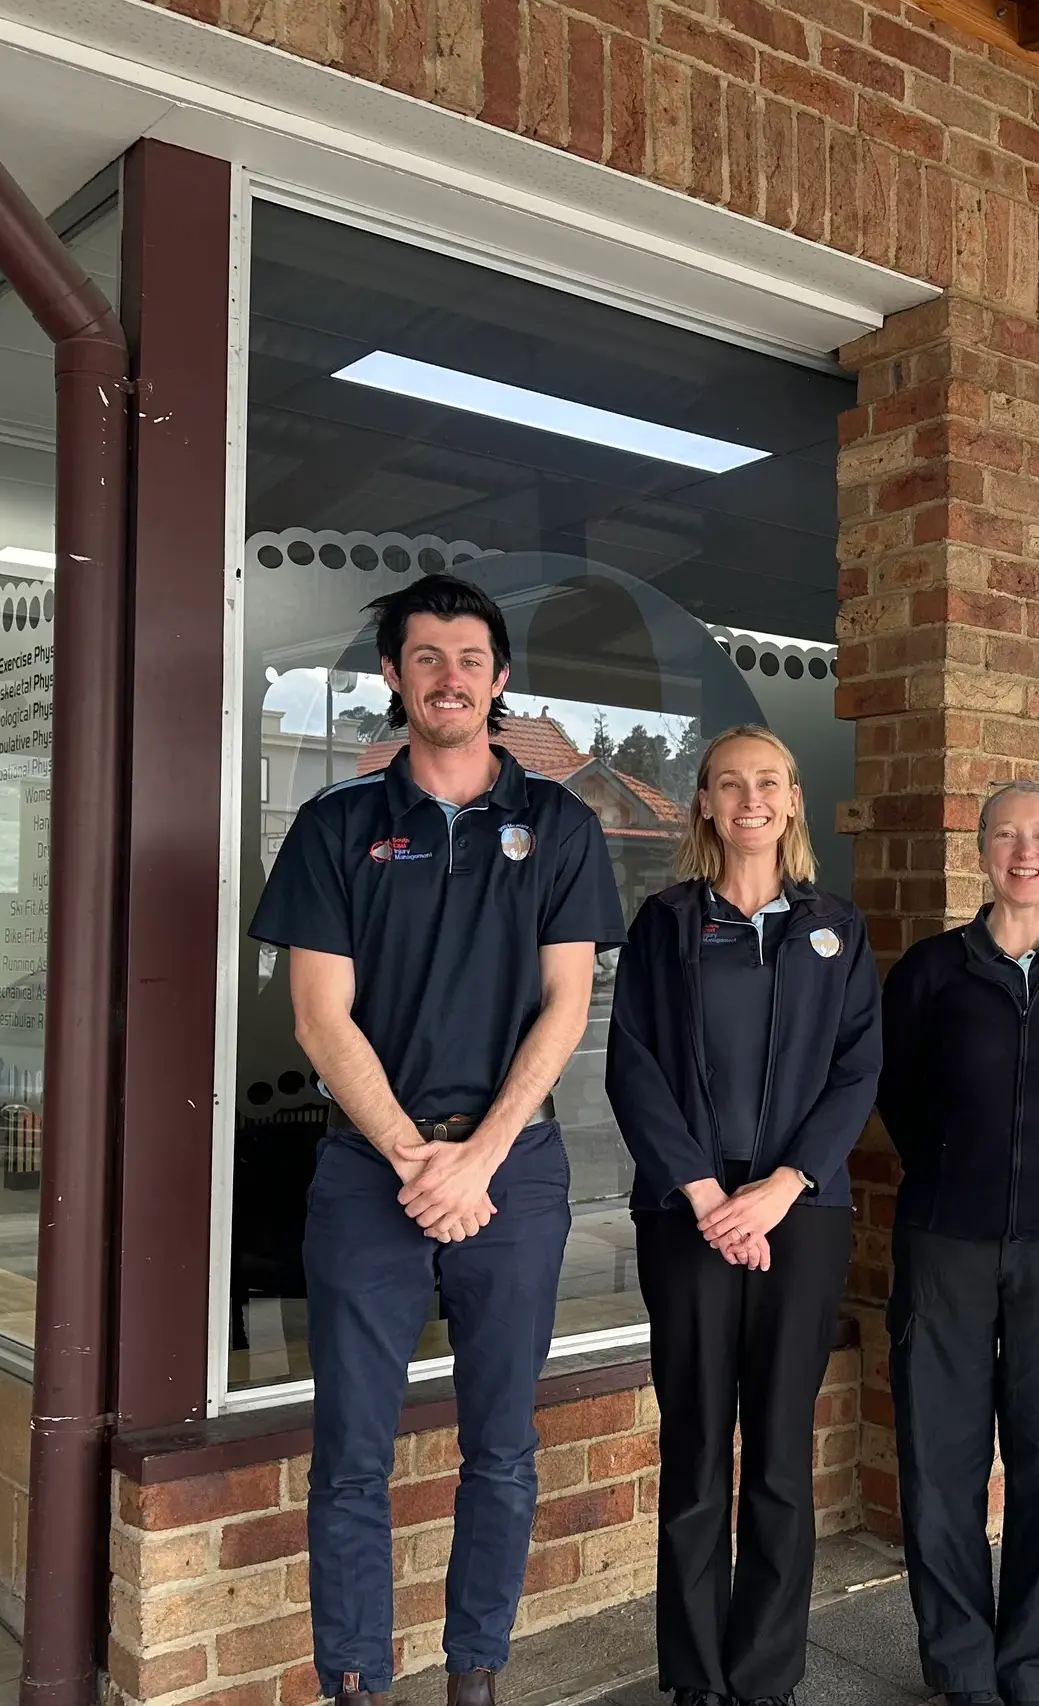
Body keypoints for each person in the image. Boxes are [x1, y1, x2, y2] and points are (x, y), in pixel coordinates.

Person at [249, 574, 625, 1706]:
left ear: (500, 678)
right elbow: (320, 1016)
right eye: (425, 657)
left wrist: (481, 1154)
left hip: (517, 1168)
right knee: (352, 1453)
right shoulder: (335, 826)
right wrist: (422, 1157)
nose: (449, 675)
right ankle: (357, 1679)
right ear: (393, 679)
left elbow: (566, 1006)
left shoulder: (560, 825)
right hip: (373, 1172)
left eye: (470, 656)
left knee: (501, 1445)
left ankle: (476, 1675)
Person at [605, 724, 883, 1706]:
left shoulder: (836, 928)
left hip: (798, 1213)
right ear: (706, 805)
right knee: (692, 1452)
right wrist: (706, 1192)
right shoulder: (664, 923)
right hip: (686, 1210)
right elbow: (632, 1065)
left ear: (794, 798)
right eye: (730, 782)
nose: (750, 796)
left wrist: (782, 1184)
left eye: (769, 780)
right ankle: (694, 1679)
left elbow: (857, 1071)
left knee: (775, 1451)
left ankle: (764, 1677)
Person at [878, 781, 1039, 1706]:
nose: (1024, 852)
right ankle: (959, 1669)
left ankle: (1028, 1668)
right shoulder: (931, 972)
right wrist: (958, 1170)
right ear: (979, 850)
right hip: (946, 1239)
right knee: (941, 1462)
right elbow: (898, 1098)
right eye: (1005, 836)